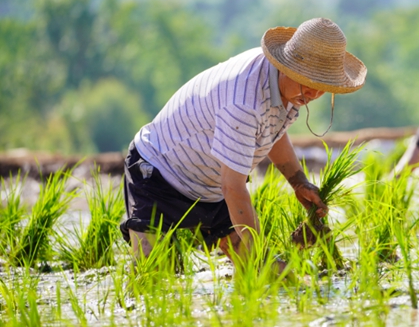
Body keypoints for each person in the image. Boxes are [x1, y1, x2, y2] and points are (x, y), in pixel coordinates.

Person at [119, 17, 367, 271]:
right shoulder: (244, 101)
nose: (314, 94)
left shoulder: (290, 89)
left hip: (214, 183)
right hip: (159, 174)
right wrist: (257, 260)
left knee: (275, 277)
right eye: (309, 82)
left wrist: (298, 182)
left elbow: (273, 132)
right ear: (287, 66)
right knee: (155, 280)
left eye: (321, 85)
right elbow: (233, 187)